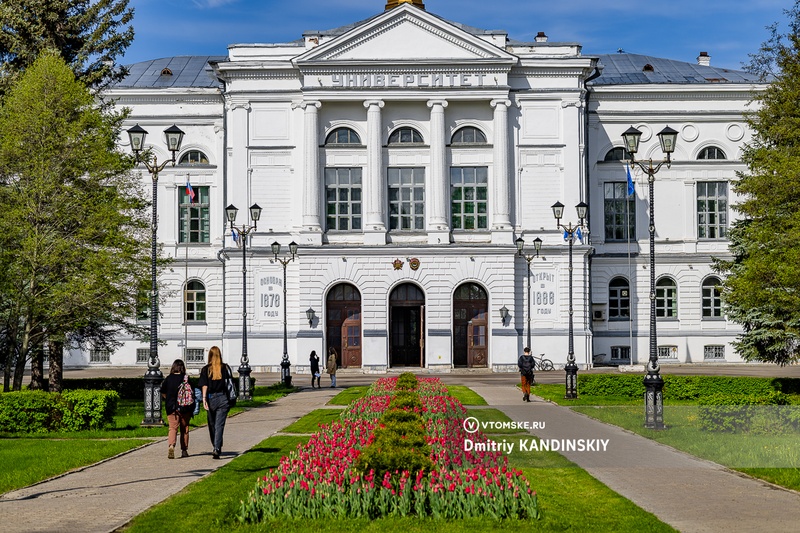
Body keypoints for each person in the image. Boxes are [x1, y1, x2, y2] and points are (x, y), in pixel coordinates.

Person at [199, 346, 233, 459]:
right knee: (219, 425)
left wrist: (204, 399)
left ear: (209, 356)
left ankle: (216, 446)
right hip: (223, 398)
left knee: (213, 424)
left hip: (210, 398)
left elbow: (204, 385)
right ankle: (217, 447)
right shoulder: (225, 368)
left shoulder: (206, 369)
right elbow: (230, 383)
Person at [160, 359, 195, 459]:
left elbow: (163, 391)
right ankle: (184, 450)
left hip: (171, 408)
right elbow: (192, 393)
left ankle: (171, 446)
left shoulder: (168, 378)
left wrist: (168, 399)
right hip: (185, 407)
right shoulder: (186, 379)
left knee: (172, 428)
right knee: (185, 429)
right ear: (183, 368)